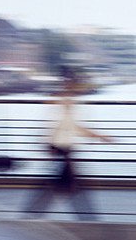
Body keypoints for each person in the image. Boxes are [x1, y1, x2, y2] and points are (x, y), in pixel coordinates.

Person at [24, 67, 114, 221]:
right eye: (78, 83)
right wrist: (99, 136)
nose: (81, 86)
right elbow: (71, 126)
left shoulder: (66, 100)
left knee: (61, 187)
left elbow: (67, 126)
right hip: (61, 148)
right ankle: (89, 220)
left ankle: (32, 215)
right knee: (69, 188)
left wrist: (97, 136)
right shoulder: (65, 101)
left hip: (61, 148)